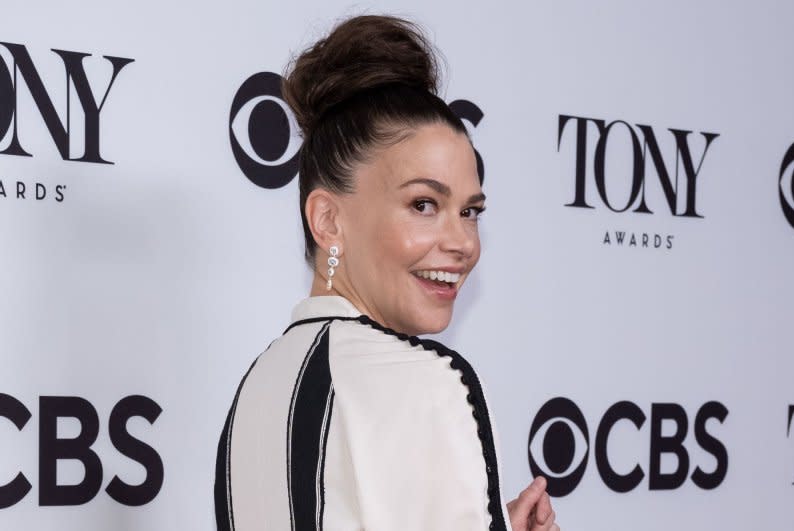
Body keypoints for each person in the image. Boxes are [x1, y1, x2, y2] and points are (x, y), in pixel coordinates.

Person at [215, 14, 559, 531]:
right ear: (328, 220)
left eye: (470, 211)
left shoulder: (258, 387)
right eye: (424, 204)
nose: (463, 242)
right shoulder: (430, 382)